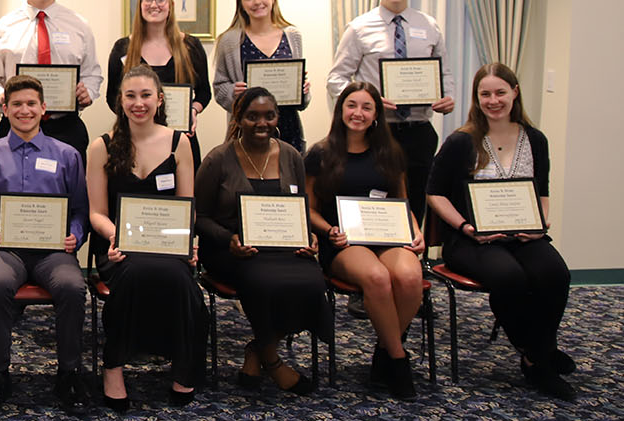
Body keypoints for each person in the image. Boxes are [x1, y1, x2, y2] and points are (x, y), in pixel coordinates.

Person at [426, 63, 574, 401]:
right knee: (510, 278)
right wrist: (466, 227)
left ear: (515, 93)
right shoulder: (462, 141)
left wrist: (541, 224)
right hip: (470, 239)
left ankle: (539, 349)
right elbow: (434, 193)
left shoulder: (535, 139)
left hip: (523, 235)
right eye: (485, 94)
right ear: (477, 99)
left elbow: (543, 190)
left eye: (500, 92)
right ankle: (538, 357)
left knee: (555, 274)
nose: (493, 100)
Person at [86, 65, 206, 412]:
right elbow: (97, 213)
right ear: (119, 101)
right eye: (130, 96)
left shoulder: (179, 142)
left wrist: (189, 242)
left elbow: (188, 206)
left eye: (146, 95)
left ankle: (183, 367)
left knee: (180, 280)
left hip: (167, 244)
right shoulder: (102, 146)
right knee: (136, 273)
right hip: (118, 247)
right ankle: (114, 365)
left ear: (160, 99)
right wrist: (116, 237)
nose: (138, 103)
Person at [195, 87, 326, 396]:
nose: (261, 123)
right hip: (232, 251)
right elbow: (198, 216)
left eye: (269, 116)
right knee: (262, 280)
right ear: (238, 119)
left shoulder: (291, 155)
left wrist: (309, 237)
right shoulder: (218, 159)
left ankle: (256, 349)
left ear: (278, 118)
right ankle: (273, 359)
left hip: (283, 248)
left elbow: (300, 208)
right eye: (252, 116)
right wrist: (229, 240)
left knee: (312, 280)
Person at [0, 74, 90, 416]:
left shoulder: (67, 155)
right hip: (2, 249)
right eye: (17, 104)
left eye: (31, 104)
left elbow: (80, 209)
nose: (25, 110)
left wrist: (75, 234)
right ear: (5, 109)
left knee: (71, 286)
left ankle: (68, 373)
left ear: (44, 108)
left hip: (53, 251)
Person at [306, 82, 424, 400]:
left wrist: (415, 231)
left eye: (366, 107)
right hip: (344, 242)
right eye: (351, 105)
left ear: (376, 114)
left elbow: (403, 201)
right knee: (377, 278)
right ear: (340, 110)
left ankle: (385, 350)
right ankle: (398, 361)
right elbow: (309, 209)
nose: (358, 113)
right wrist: (328, 229)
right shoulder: (321, 153)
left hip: (388, 236)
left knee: (411, 276)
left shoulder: (390, 152)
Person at [328, 0, 455, 222]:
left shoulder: (429, 26)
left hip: (419, 129)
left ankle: (413, 253)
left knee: (417, 197)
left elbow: (444, 73)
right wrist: (367, 103)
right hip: (376, 132)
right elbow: (336, 79)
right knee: (378, 197)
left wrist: (448, 97)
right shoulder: (359, 28)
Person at [0, 0, 103, 161]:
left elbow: (92, 73)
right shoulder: (2, 28)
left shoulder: (79, 26)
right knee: (13, 188)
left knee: (68, 189)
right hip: (15, 125)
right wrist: (1, 96)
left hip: (65, 127)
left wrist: (88, 92)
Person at [108, 0, 210, 168]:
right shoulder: (123, 48)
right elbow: (112, 96)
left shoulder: (191, 46)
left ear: (170, 6)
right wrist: (137, 117)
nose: (154, 5)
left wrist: (193, 111)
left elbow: (204, 93)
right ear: (140, 5)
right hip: (134, 141)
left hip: (181, 139)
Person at [212, 0, 311, 154]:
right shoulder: (230, 40)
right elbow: (219, 87)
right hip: (247, 132)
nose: (257, 2)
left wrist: (303, 91)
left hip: (289, 130)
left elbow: (301, 97)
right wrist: (233, 92)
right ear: (241, 4)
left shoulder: (292, 35)